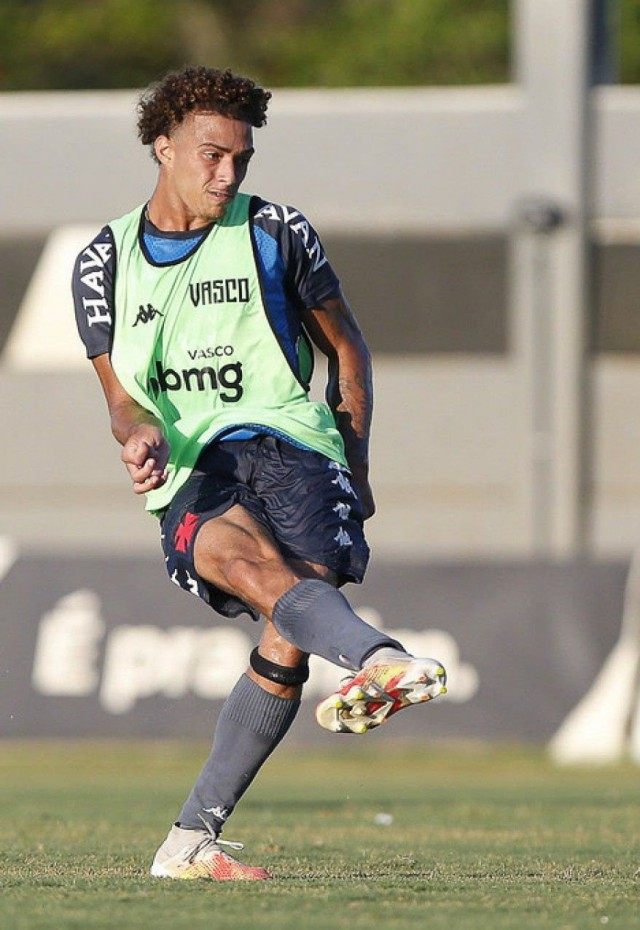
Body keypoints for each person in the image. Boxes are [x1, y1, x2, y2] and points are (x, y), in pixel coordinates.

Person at [72, 66, 446, 882]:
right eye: (211, 156)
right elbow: (118, 396)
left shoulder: (277, 231)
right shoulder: (103, 259)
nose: (227, 174)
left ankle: (186, 844)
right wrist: (134, 431)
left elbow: (345, 345)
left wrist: (357, 459)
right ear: (162, 147)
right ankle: (381, 658)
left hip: (294, 449)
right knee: (245, 566)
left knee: (288, 630)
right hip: (191, 468)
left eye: (240, 158)